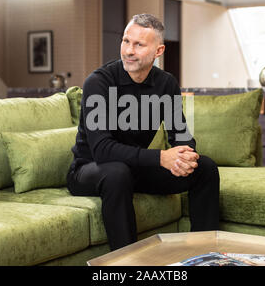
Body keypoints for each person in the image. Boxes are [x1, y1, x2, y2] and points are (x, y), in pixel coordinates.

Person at [67, 13, 220, 251]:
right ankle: (127, 262)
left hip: (134, 169)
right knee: (117, 172)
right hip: (90, 169)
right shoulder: (99, 82)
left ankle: (204, 253)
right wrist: (162, 158)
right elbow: (102, 150)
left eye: (139, 44)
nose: (129, 50)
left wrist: (185, 156)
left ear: (158, 51)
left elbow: (179, 134)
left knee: (205, 168)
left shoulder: (166, 84)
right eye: (126, 41)